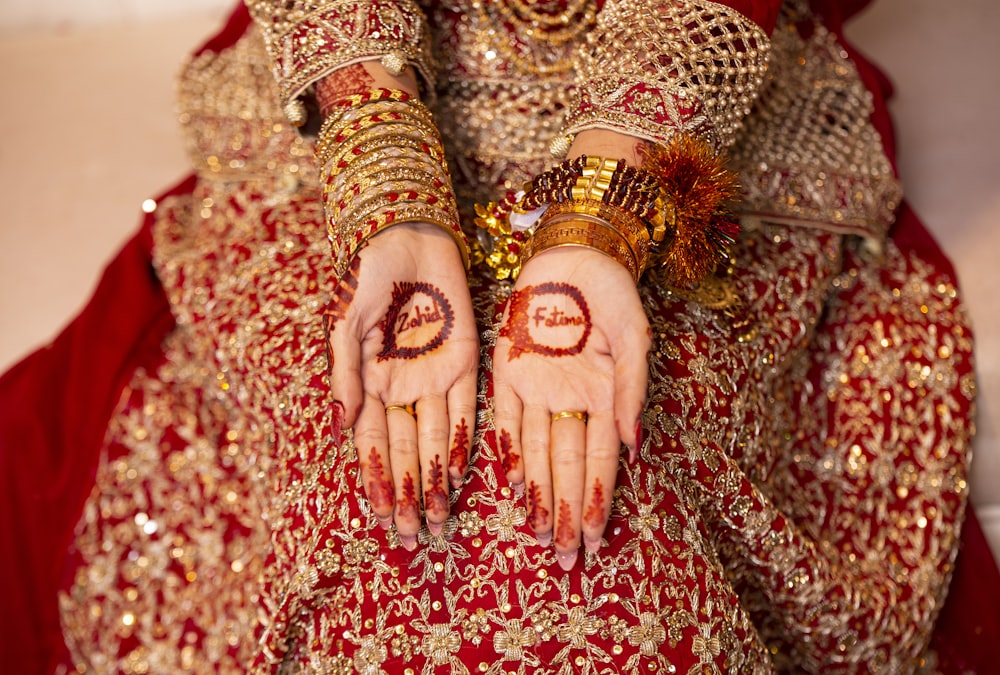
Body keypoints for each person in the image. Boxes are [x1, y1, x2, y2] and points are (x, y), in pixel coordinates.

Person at [2, 0, 999, 672]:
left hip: (681, 92)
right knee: (373, 479)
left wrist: (596, 230)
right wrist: (389, 192)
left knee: (603, 487)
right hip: (361, 74)